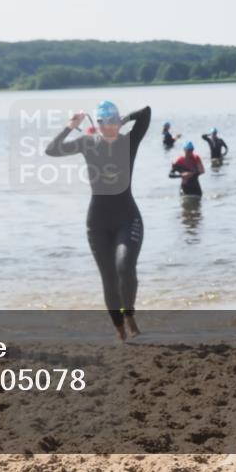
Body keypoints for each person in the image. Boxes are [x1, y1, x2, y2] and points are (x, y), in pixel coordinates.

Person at [46, 101, 151, 341]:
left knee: (125, 266)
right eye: (104, 122)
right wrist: (70, 126)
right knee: (109, 277)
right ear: (98, 123)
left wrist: (122, 120)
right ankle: (119, 329)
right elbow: (52, 150)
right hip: (98, 223)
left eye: (113, 120)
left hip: (128, 217)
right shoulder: (88, 143)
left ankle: (129, 314)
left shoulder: (128, 142)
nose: (109, 126)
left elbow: (145, 114)